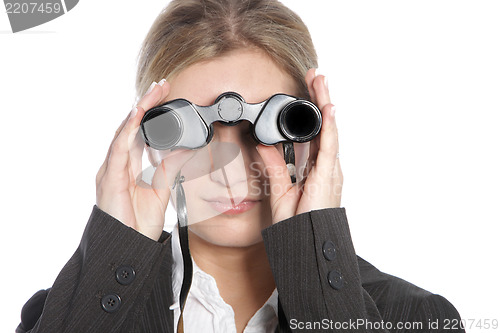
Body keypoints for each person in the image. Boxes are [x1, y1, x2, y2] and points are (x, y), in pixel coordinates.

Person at [16, 0, 464, 332]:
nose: (232, 172)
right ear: (148, 139)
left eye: (268, 128)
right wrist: (116, 243)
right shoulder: (67, 313)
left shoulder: (417, 318)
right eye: (193, 130)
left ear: (313, 136)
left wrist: (315, 252)